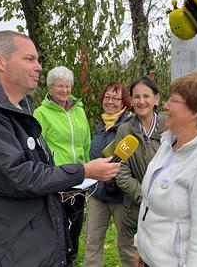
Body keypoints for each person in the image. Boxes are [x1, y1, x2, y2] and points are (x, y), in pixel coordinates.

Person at [0, 30, 120, 267]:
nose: (39, 67)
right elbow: (17, 176)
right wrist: (83, 171)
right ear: (0, 61)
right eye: (29, 59)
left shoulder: (22, 110)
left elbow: (40, 168)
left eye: (38, 60)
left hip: (34, 245)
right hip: (6, 251)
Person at [134, 72, 197, 267]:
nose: (165, 105)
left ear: (195, 111)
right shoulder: (167, 144)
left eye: (173, 100)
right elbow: (148, 203)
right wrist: (141, 246)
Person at [32, 66, 90, 265]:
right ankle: (59, 260)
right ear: (50, 87)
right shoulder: (41, 113)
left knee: (76, 226)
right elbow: (38, 148)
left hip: (79, 179)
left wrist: (87, 167)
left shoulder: (79, 110)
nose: (64, 91)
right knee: (59, 227)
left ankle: (71, 259)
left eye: (67, 86)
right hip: (57, 178)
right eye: (59, 87)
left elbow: (86, 142)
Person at [114, 76, 167, 266]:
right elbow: (121, 171)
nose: (141, 101)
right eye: (136, 96)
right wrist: (145, 196)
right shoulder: (125, 130)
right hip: (135, 212)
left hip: (166, 212)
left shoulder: (169, 126)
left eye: (146, 96)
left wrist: (161, 197)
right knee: (133, 260)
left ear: (157, 99)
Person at [84, 82, 133, 267]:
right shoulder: (101, 124)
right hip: (98, 193)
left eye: (116, 98)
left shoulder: (129, 125)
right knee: (92, 242)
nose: (110, 102)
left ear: (124, 102)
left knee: (127, 246)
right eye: (107, 97)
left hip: (121, 196)